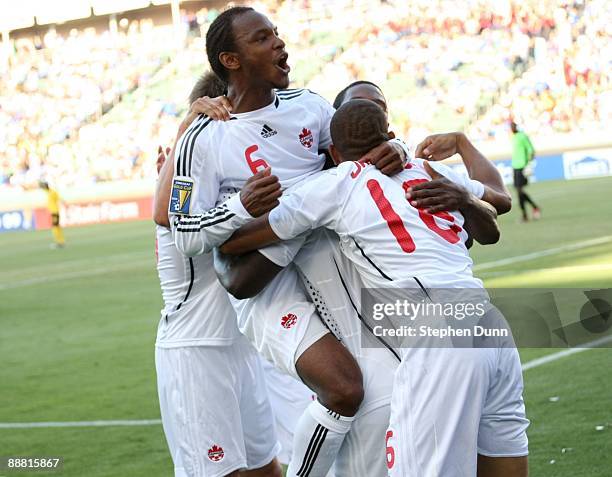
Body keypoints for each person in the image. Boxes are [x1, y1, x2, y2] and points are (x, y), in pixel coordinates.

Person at [188, 78, 512, 476]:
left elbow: (494, 208)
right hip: (467, 325)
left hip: (425, 337)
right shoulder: (382, 176)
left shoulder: (353, 180)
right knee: (347, 393)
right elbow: (494, 215)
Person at [154, 7, 409, 476]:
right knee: (344, 389)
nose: (279, 43)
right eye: (262, 38)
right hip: (266, 293)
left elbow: (362, 143)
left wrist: (399, 149)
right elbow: (182, 230)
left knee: (389, 387)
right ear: (231, 59)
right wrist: (239, 207)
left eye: (277, 33)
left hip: (327, 271)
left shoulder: (309, 107)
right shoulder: (204, 139)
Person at [154, 71, 283, 477]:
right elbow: (165, 216)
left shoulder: (231, 174)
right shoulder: (187, 179)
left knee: (266, 469)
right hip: (197, 350)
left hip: (242, 348)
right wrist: (186, 131)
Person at [510, 121, 540, 221]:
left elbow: (531, 150)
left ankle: (525, 215)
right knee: (519, 191)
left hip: (522, 166)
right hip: (515, 167)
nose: (511, 128)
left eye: (513, 126)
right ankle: (534, 208)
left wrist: (529, 164)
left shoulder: (522, 136)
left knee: (519, 191)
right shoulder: (513, 137)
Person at [39, 181, 65, 248]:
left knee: (55, 227)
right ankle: (60, 241)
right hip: (54, 211)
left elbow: (60, 199)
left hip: (55, 211)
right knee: (56, 227)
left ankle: (59, 242)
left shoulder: (51, 192)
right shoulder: (50, 192)